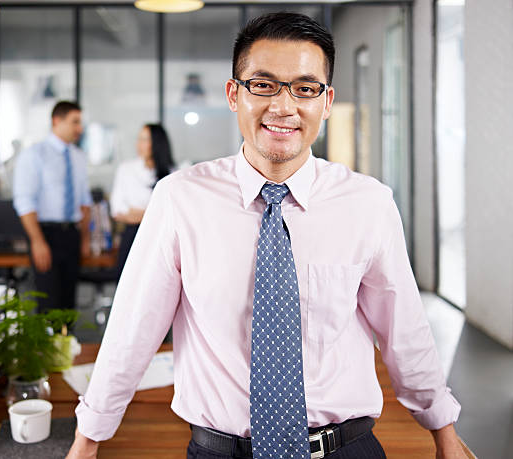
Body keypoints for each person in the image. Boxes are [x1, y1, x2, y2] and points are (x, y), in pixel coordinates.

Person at [67, 13, 466, 459]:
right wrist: (88, 439)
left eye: (305, 87)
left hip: (343, 448)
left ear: (326, 101)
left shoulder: (367, 203)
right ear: (234, 95)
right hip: (221, 451)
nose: (283, 106)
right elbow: (132, 328)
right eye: (263, 84)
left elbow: (405, 330)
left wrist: (443, 434)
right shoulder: (180, 199)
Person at [13, 101, 92, 312]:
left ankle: (68, 344)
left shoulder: (78, 156)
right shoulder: (34, 154)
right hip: (46, 234)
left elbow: (85, 201)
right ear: (57, 121)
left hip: (71, 235)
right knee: (49, 303)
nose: (80, 129)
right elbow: (24, 201)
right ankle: (48, 345)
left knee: (68, 303)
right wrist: (37, 241)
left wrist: (84, 237)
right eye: (75, 122)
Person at [109, 124, 175, 278]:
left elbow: (173, 211)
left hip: (160, 238)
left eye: (145, 140)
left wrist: (136, 213)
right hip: (132, 236)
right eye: (139, 139)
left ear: (157, 143)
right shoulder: (126, 169)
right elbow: (117, 209)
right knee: (127, 282)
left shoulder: (173, 172)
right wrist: (154, 214)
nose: (139, 144)